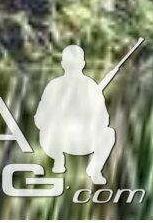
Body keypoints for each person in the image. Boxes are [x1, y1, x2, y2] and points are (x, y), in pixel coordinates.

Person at [36, 45, 116, 183]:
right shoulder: (54, 86)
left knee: (109, 134)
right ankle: (58, 159)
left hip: (82, 141)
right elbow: (40, 119)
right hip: (58, 141)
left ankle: (94, 169)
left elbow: (104, 121)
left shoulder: (91, 87)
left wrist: (88, 115)